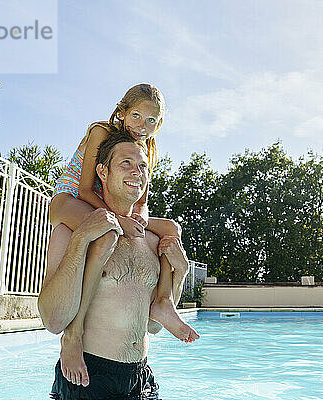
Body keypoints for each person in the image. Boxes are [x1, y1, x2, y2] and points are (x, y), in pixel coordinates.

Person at [48, 84, 199, 387]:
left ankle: (164, 302)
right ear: (122, 112)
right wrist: (118, 219)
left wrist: (138, 223)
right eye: (137, 116)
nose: (143, 126)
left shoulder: (147, 149)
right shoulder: (101, 132)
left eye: (152, 121)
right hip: (70, 200)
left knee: (172, 228)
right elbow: (86, 189)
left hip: (136, 375)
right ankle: (73, 335)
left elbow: (141, 203)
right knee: (106, 235)